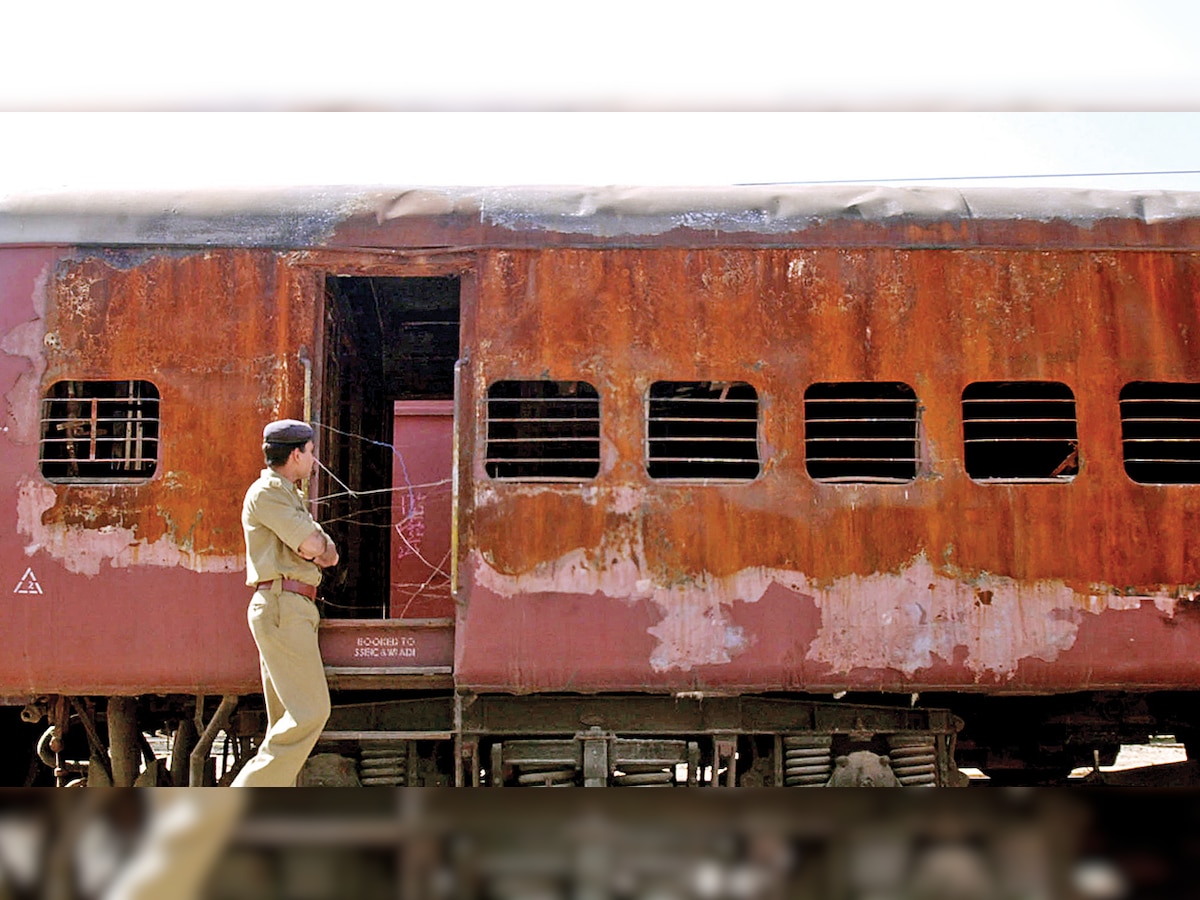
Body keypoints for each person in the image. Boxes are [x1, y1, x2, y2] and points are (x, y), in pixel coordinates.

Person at [231, 418, 339, 787]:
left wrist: (319, 548)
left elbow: (330, 554)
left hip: (290, 607)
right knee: (311, 712)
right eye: (311, 452)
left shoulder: (288, 495)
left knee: (285, 721)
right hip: (283, 605)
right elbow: (315, 547)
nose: (314, 460)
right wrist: (317, 547)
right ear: (296, 453)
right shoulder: (269, 493)